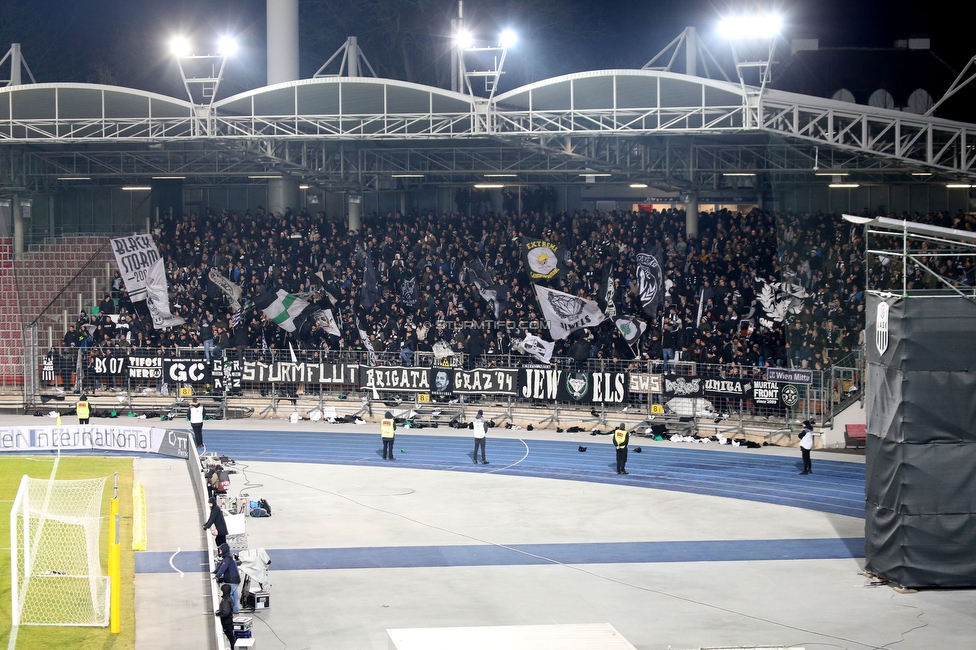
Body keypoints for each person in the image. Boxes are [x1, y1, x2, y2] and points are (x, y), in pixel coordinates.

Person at [213, 542, 241, 614]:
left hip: (232, 580)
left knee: (229, 595)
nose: (219, 552)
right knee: (235, 595)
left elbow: (223, 568)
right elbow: (220, 566)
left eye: (220, 550)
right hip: (235, 579)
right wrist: (215, 572)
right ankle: (235, 609)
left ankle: (228, 610)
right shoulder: (227, 557)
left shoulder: (227, 558)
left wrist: (217, 576)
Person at [215, 583, 237, 650]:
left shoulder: (226, 601)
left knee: (230, 637)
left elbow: (225, 612)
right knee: (231, 638)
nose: (220, 592)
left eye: (221, 591)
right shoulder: (228, 599)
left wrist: (219, 614)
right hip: (228, 621)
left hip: (226, 623)